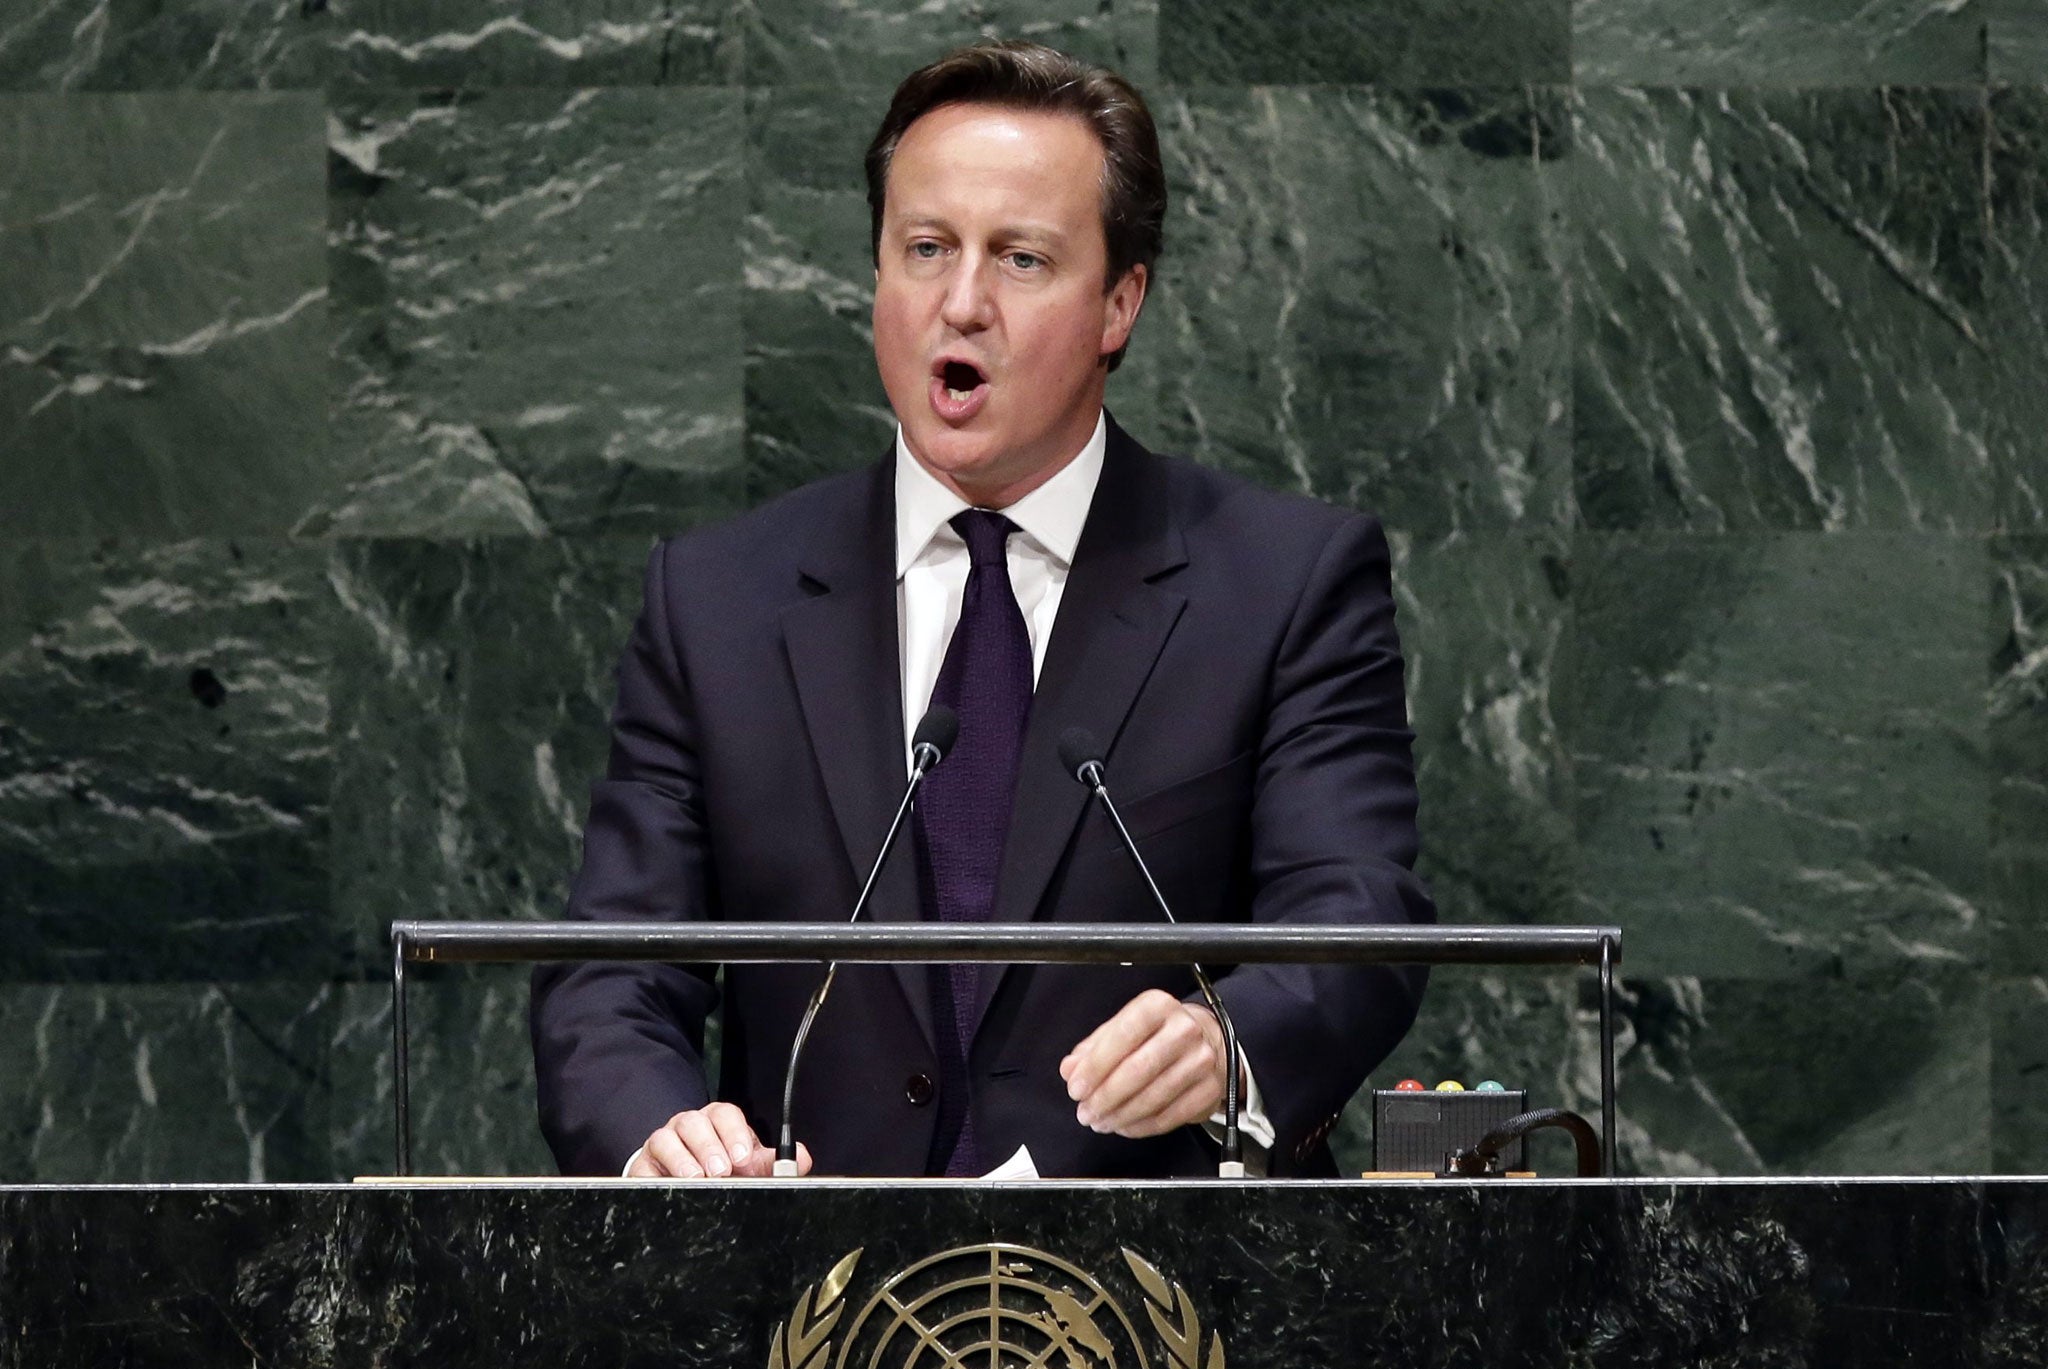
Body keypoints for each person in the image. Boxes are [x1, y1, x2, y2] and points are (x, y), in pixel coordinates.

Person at [529, 40, 1433, 1180]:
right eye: (923, 250)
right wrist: (659, 1135)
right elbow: (610, 972)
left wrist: (1227, 1044)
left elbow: (1355, 917)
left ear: (1117, 302)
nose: (959, 305)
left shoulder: (1281, 582)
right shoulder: (717, 601)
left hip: (1169, 1308)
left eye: (1018, 260)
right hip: (813, 1311)